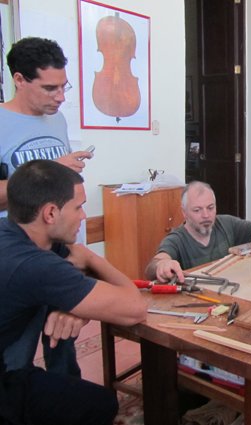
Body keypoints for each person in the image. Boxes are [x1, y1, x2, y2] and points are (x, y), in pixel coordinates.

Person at [0, 160, 147, 425]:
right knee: (100, 403)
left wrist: (72, 307)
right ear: (51, 213)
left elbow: (67, 271)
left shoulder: (12, 235)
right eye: (78, 207)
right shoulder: (35, 265)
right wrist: (91, 256)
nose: (83, 216)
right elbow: (135, 307)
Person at [0, 36, 95, 378]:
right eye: (50, 88)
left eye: (64, 86)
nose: (61, 97)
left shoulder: (57, 121)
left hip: (55, 243)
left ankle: (65, 394)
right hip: (15, 252)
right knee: (16, 349)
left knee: (63, 331)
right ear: (20, 80)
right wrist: (51, 167)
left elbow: (60, 182)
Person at [145, 180, 251, 282]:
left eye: (210, 208)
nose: (206, 215)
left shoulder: (227, 224)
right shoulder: (176, 239)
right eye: (197, 210)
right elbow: (152, 267)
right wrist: (162, 264)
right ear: (184, 212)